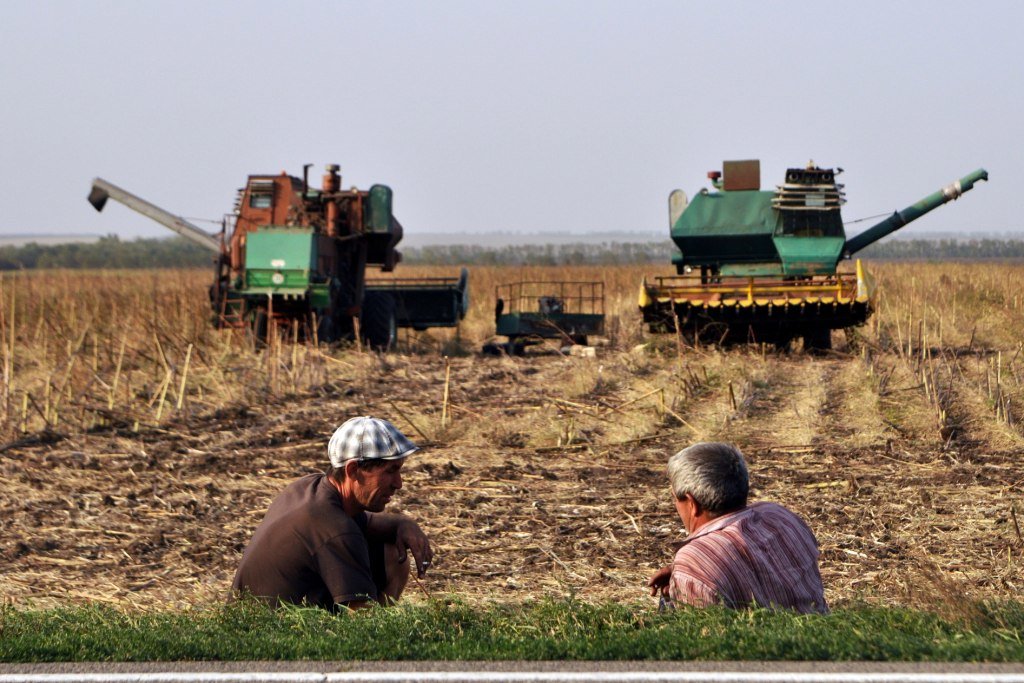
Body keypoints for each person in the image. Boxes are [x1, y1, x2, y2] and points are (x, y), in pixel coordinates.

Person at [232, 416, 433, 610]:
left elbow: (370, 523)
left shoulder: (309, 487)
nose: (398, 483)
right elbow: (362, 619)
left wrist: (404, 525)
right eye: (390, 471)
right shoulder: (335, 528)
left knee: (391, 552)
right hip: (270, 635)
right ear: (353, 470)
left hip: (246, 621)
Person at [647, 442, 828, 614]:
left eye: (674, 497)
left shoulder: (694, 560)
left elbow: (704, 641)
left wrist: (689, 574)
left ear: (692, 503)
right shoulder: (781, 516)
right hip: (825, 638)